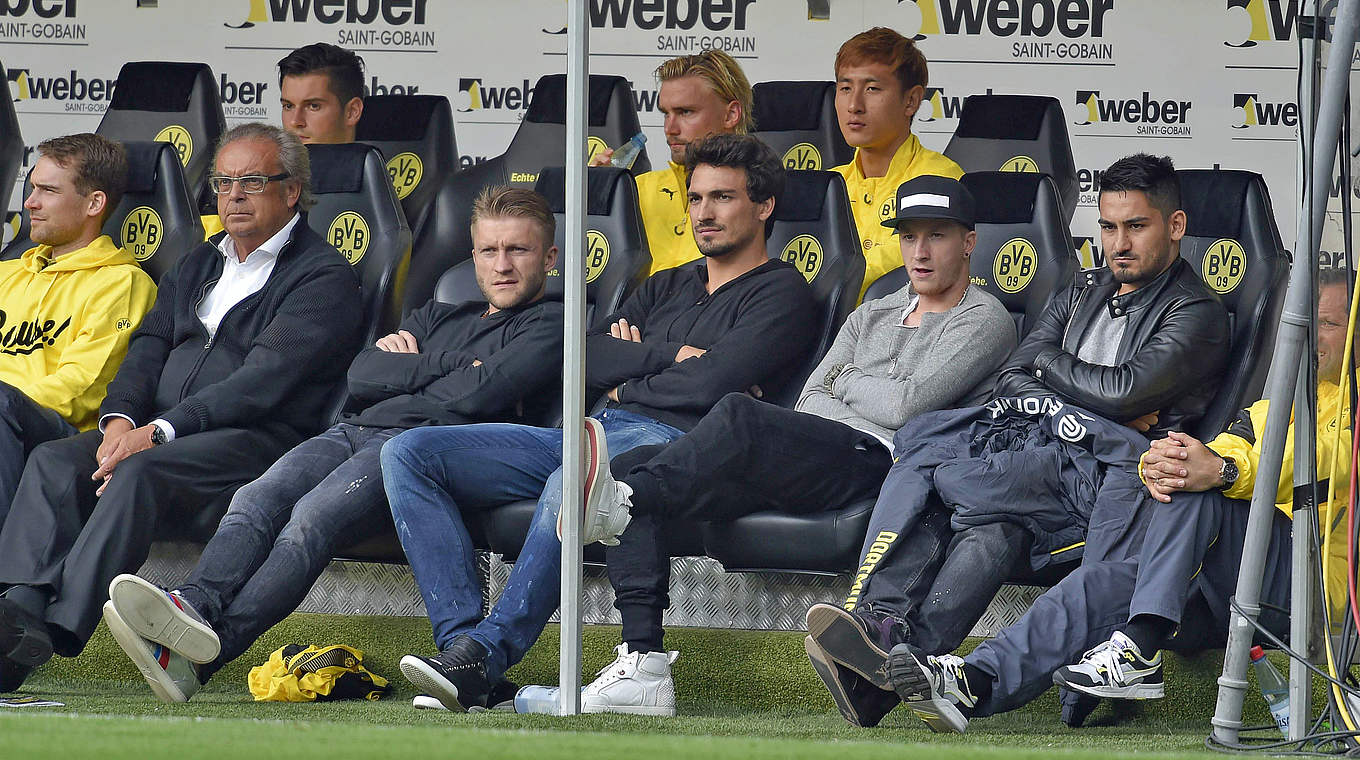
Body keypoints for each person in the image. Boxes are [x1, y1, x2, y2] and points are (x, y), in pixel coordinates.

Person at [385, 133, 817, 712]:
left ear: (763, 207)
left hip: (676, 445)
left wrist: (630, 375)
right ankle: (460, 649)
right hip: (591, 426)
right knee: (409, 453)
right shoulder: (668, 282)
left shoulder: (783, 292)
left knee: (575, 479)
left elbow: (710, 387)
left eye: (723, 198)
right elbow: (582, 356)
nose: (704, 213)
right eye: (695, 199)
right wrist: (667, 358)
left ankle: (484, 656)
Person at [803, 153, 1232, 727]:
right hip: (1043, 470)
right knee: (991, 532)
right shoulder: (1082, 290)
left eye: (1136, 226)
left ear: (1174, 227)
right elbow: (1016, 375)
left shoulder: (1198, 312)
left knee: (943, 471)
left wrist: (1052, 379)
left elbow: (1125, 389)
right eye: (1107, 227)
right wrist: (1078, 395)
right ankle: (886, 674)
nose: (1118, 243)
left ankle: (878, 616)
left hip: (1110, 483)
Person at [569, 175, 1017, 716]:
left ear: (968, 242)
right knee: (636, 465)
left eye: (937, 236)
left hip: (884, 464)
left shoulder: (985, 318)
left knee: (734, 415)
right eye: (908, 236)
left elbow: (908, 408)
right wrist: (857, 388)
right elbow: (810, 399)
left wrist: (847, 380)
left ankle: (618, 506)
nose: (919, 252)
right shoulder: (873, 309)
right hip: (818, 451)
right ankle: (644, 665)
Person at [100, 186, 565, 704]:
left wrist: (407, 368)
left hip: (414, 450)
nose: (501, 265)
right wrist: (445, 366)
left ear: (548, 257)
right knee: (253, 500)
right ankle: (193, 605)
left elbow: (483, 396)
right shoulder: (442, 313)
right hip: (350, 430)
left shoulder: (553, 324)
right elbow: (363, 373)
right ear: (473, 255)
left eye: (518, 250)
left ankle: (204, 656)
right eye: (489, 250)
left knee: (308, 525)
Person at [890, 268, 1352, 734]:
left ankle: (1141, 644)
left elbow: (1314, 458)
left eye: (1329, 324)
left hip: (1307, 586)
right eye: (1305, 324)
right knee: (1103, 581)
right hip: (1230, 586)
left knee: (1197, 491)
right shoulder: (1280, 405)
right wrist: (1184, 460)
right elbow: (1232, 446)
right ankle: (974, 681)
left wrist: (1220, 472)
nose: (1313, 337)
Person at [0, 123, 363, 693]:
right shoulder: (198, 262)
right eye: (223, 183)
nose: (234, 196)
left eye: (251, 182)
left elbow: (262, 383)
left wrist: (160, 431)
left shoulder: (323, 277)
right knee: (53, 458)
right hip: (162, 428)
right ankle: (16, 611)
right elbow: (146, 349)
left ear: (291, 192)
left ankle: (58, 627)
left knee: (139, 469)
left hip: (256, 438)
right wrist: (119, 419)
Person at [0, 134, 156, 525]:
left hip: (55, 430)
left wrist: (6, 399)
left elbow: (84, 388)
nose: (29, 203)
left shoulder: (121, 282)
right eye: (32, 187)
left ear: (94, 203)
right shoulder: (6, 273)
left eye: (47, 191)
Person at [829, 27, 964, 300]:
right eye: (845, 88)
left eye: (872, 89)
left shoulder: (939, 179)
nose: (854, 105)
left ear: (911, 100)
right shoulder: (829, 185)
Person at [593, 50, 752, 276]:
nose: (670, 129)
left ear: (731, 115)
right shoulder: (633, 189)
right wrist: (597, 203)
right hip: (638, 311)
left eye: (685, 112)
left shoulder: (757, 195)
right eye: (666, 114)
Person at [203, 43, 364, 239]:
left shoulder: (377, 195)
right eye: (288, 106)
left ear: (352, 111)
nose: (296, 121)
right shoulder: (240, 194)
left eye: (313, 106)